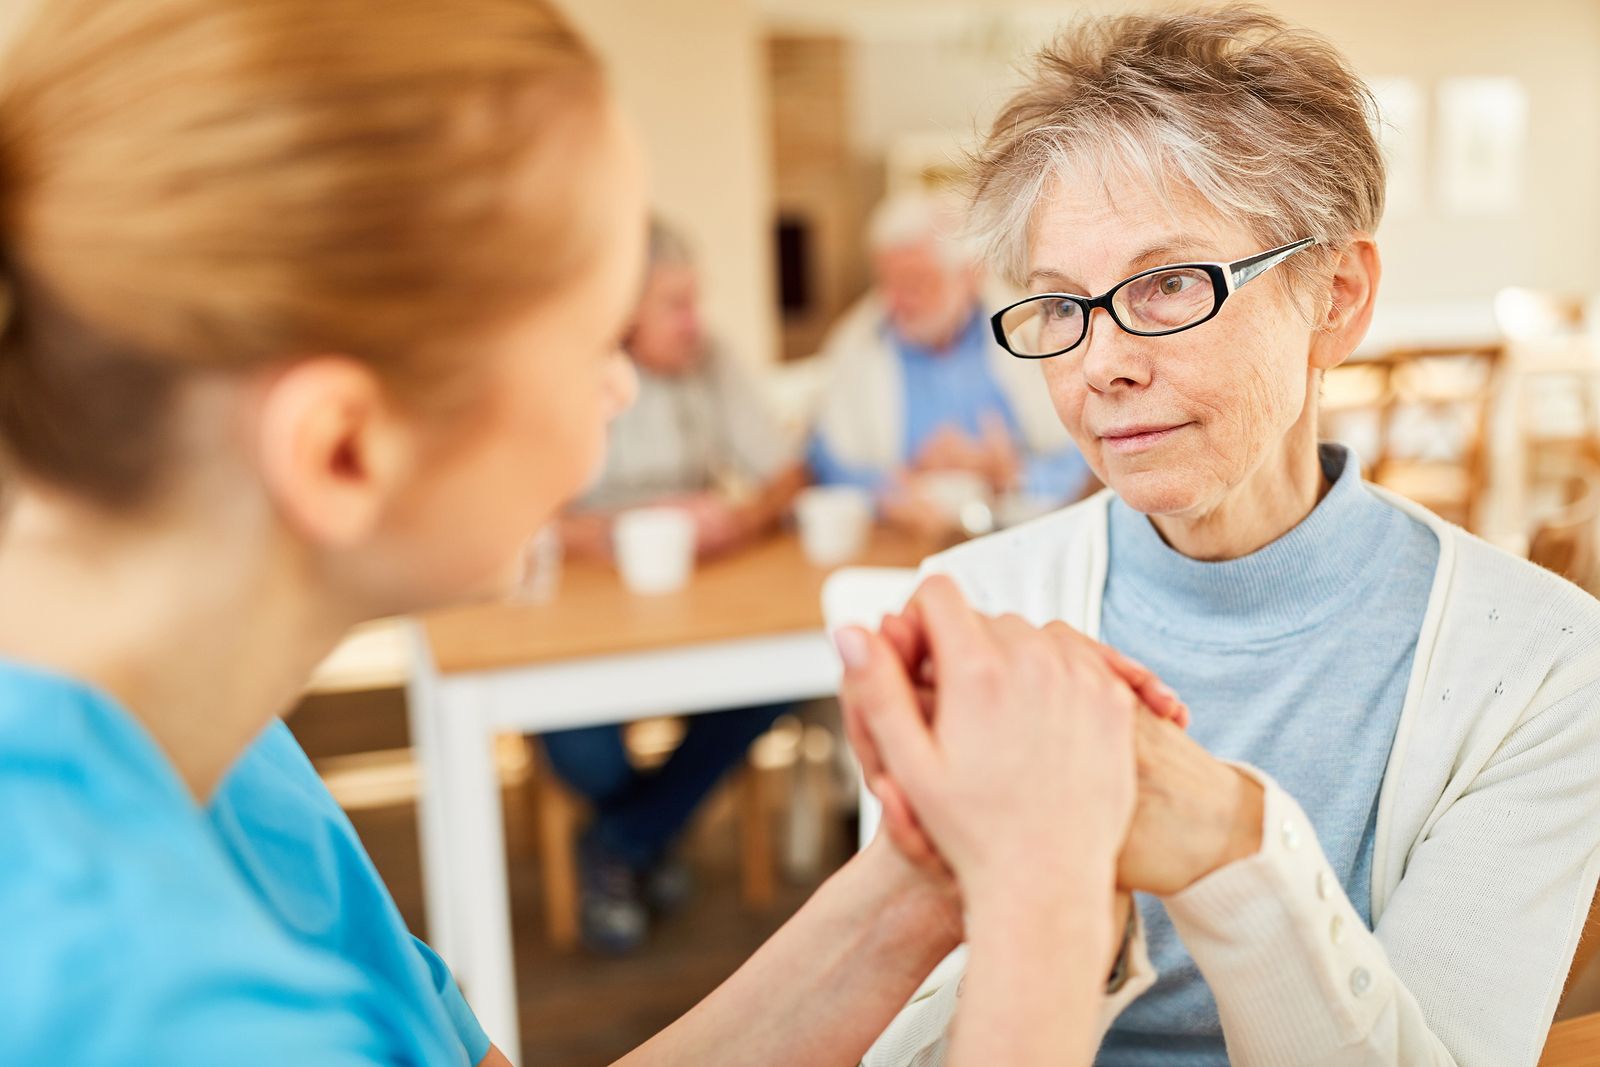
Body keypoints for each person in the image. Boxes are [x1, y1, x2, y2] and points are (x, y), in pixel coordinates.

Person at [0, 2, 1178, 1065]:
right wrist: (1043, 897)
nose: (618, 391)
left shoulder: (209, 748)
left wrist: (924, 883)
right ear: (345, 450)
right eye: (592, 340)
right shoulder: (147, 1006)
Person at [856, 9, 1600, 1067]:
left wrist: (1239, 851)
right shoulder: (966, 610)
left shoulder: (1544, 665)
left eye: (1167, 284)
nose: (1098, 363)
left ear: (1335, 299)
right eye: (1058, 302)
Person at [806, 190, 1093, 538]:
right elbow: (822, 461)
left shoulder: (1034, 331)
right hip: (899, 544)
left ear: (970, 277)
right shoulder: (855, 342)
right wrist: (889, 490)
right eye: (887, 283)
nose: (895, 302)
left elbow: (1090, 455)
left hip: (1023, 536)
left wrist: (1011, 474)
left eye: (914, 283)